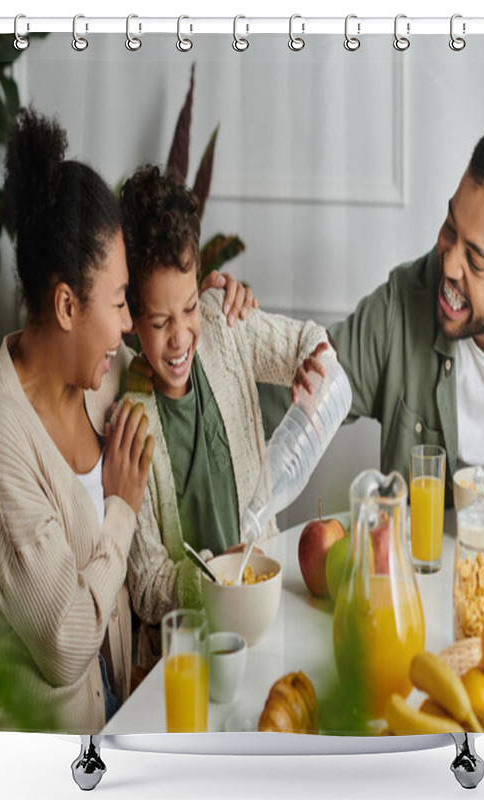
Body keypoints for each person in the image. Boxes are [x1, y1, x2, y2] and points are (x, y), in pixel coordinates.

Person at [259, 123, 484, 551]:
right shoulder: (402, 305)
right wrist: (208, 333)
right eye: (450, 228)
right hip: (420, 603)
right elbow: (283, 398)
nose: (449, 265)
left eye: (475, 260)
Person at [0, 108, 155, 733]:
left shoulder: (100, 376)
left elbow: (170, 354)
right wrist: (120, 508)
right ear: (67, 304)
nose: (128, 323)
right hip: (48, 759)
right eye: (120, 301)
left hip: (123, 716)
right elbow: (68, 642)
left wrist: (220, 302)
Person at [117, 165, 329, 670]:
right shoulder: (129, 419)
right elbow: (147, 586)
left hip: (266, 626)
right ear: (128, 319)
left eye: (188, 308)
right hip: (186, 659)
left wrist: (310, 362)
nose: (180, 337)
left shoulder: (222, 323)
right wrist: (218, 577)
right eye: (159, 321)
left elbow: (307, 341)